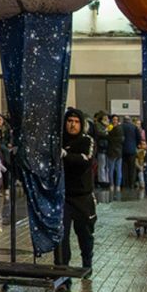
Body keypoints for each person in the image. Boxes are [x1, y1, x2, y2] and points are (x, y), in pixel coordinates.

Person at [56, 108, 97, 275]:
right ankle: (62, 272)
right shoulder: (59, 140)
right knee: (61, 236)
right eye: (69, 121)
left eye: (76, 122)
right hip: (63, 197)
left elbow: (86, 160)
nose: (72, 125)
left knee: (85, 234)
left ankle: (87, 263)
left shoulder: (87, 141)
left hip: (82, 197)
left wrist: (66, 155)